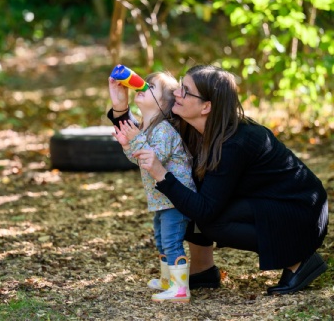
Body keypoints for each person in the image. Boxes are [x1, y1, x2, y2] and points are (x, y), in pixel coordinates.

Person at [108, 64, 329, 296]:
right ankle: (202, 269)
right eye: (180, 86)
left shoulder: (235, 143)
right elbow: (143, 135)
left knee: (208, 219)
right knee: (187, 195)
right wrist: (120, 106)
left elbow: (205, 210)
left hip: (299, 212)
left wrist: (161, 174)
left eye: (186, 91)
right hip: (262, 199)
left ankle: (298, 260)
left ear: (206, 106)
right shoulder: (187, 121)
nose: (176, 93)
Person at [110, 70, 197, 303]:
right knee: (161, 239)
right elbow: (140, 160)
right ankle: (167, 280)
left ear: (164, 103)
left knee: (171, 242)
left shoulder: (164, 130)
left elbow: (154, 157)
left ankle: (180, 290)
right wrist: (127, 145)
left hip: (176, 200)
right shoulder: (148, 129)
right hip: (161, 200)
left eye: (151, 87)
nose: (143, 87)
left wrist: (136, 139)